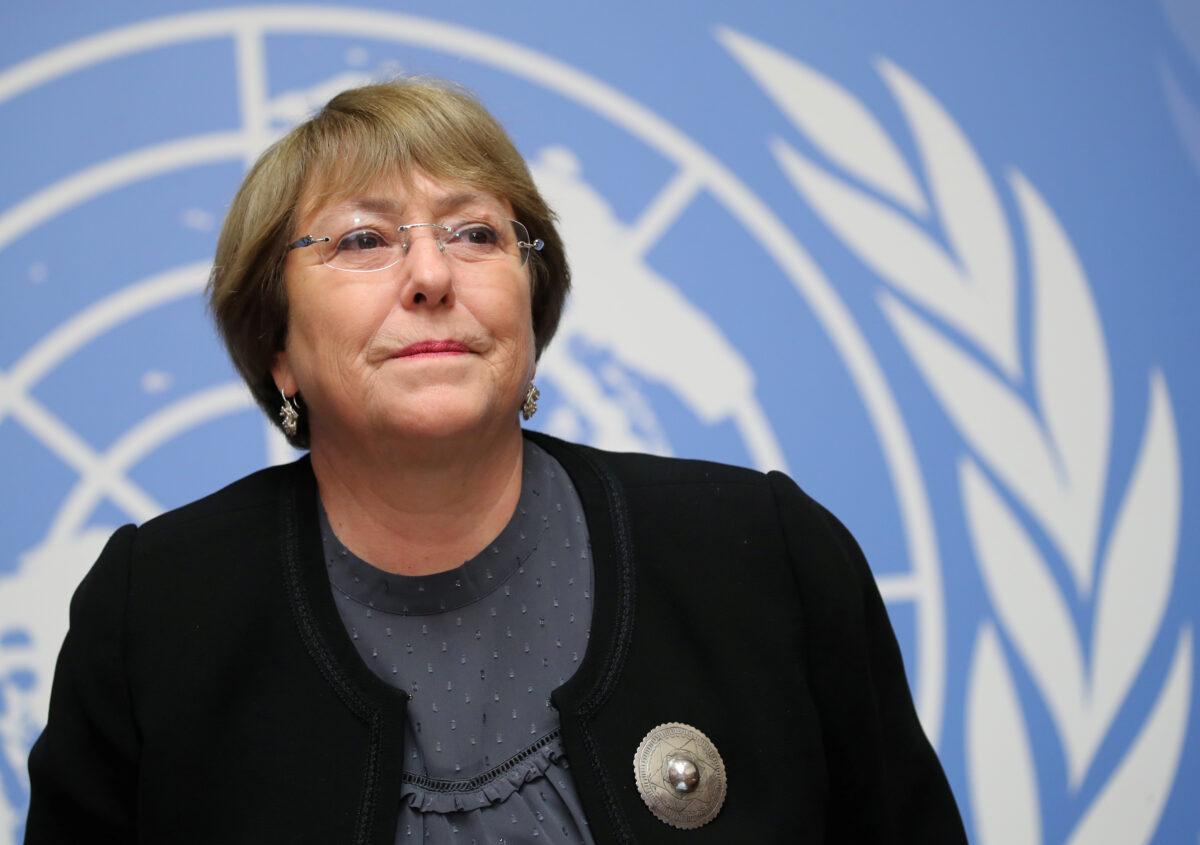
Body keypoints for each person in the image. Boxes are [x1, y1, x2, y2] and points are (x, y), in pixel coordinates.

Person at [25, 78, 966, 843]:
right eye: (363, 239)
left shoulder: (762, 553)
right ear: (278, 346)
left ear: (531, 299)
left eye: (475, 233)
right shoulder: (154, 613)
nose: (432, 276)